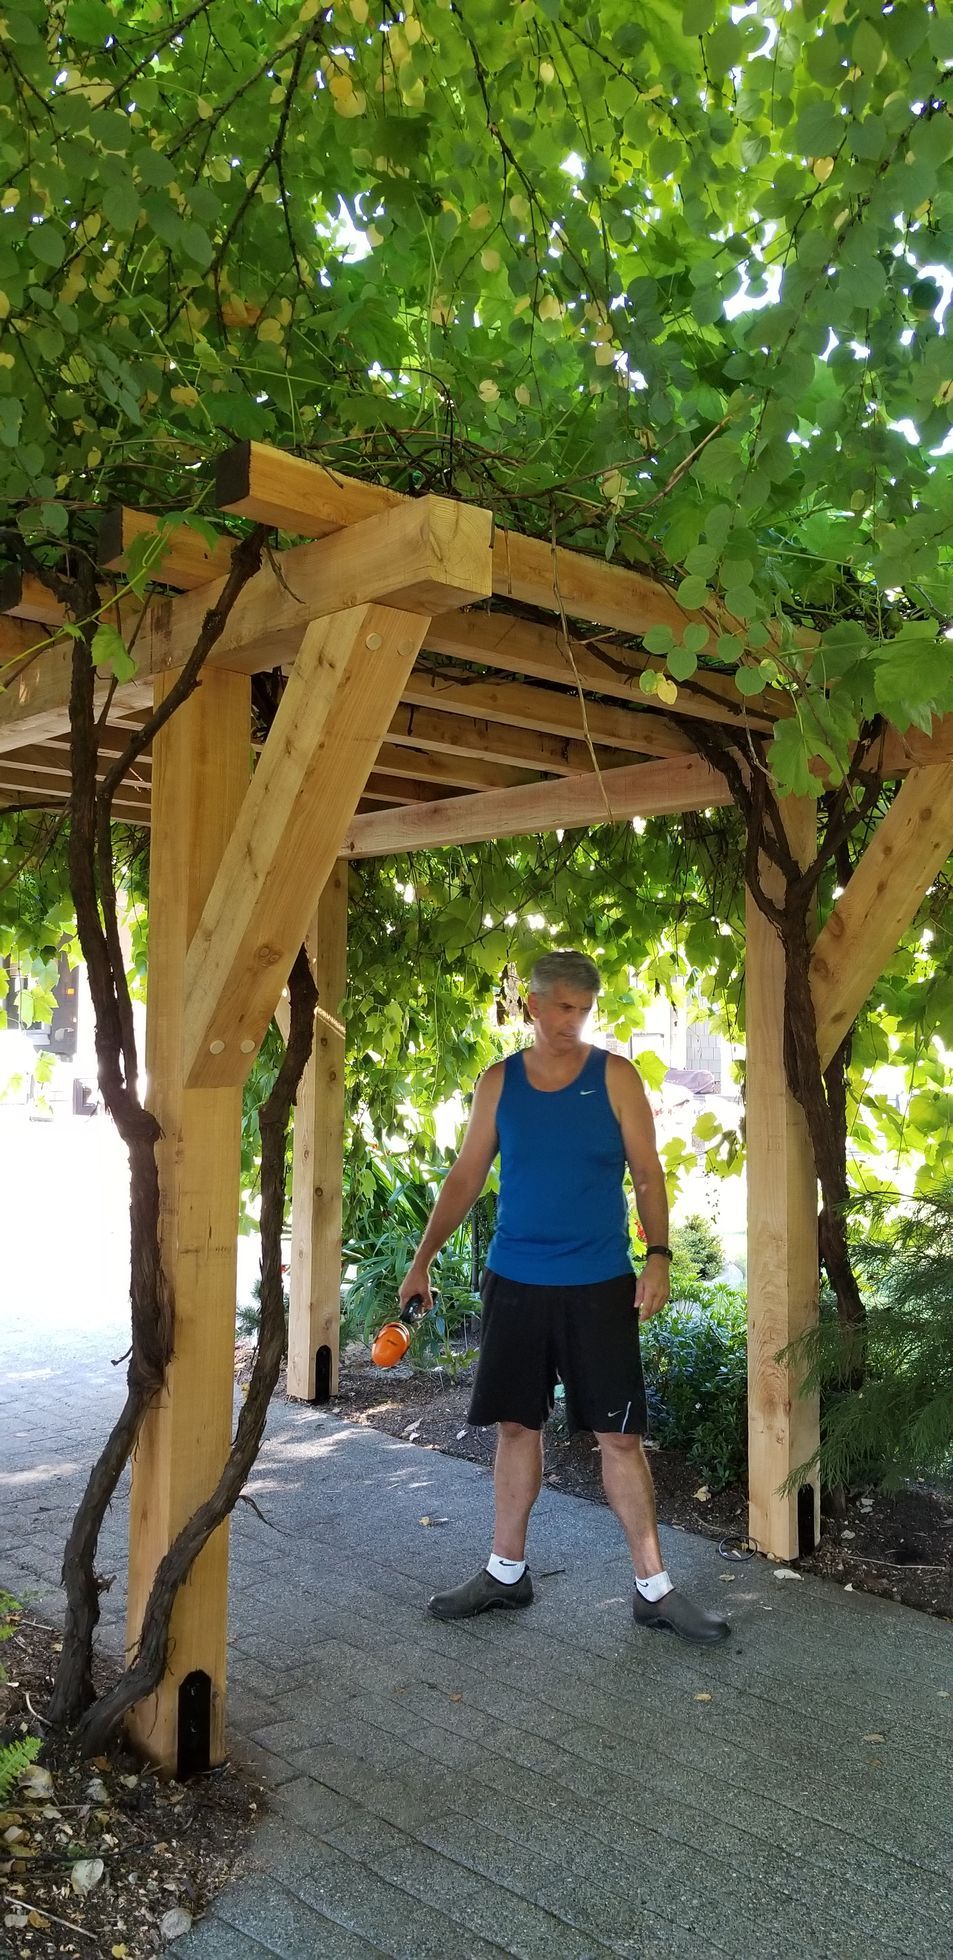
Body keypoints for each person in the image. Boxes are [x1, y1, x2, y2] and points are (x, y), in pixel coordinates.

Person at [399, 949, 729, 1645]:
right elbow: (465, 1175)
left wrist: (659, 1257)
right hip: (516, 1282)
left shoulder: (615, 1076)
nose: (573, 1021)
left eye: (584, 1010)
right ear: (533, 1005)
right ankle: (505, 1573)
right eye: (562, 1007)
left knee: (620, 1436)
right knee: (516, 1426)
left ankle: (653, 1589)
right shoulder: (499, 1083)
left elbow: (647, 1173)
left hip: (597, 1283)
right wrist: (421, 1261)